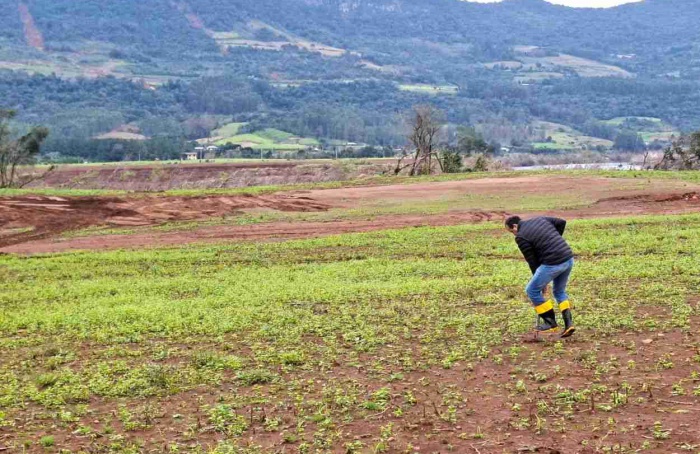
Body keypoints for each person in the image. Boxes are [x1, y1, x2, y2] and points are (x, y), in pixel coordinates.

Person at [505, 215, 576, 338]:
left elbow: (532, 261)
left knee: (532, 290)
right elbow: (561, 222)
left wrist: (541, 284)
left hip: (553, 263)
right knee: (559, 291)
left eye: (512, 232)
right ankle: (569, 324)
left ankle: (550, 323)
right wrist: (554, 241)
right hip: (567, 258)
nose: (514, 235)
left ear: (515, 226)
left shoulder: (521, 237)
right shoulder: (539, 219)